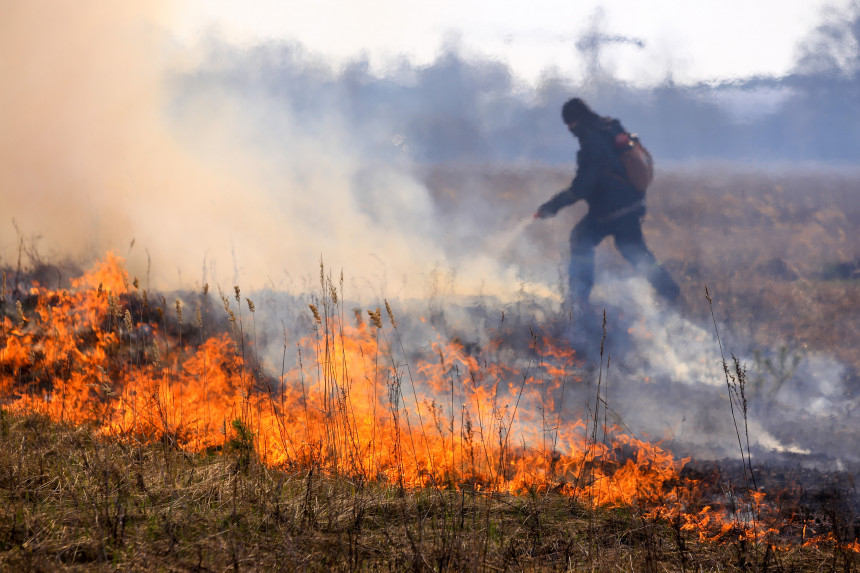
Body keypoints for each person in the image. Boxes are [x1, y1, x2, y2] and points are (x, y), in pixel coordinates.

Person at [534, 98, 680, 317]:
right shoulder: (610, 126)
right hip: (632, 203)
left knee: (580, 239)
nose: (570, 129)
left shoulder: (591, 143)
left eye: (570, 124)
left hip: (610, 210)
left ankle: (579, 299)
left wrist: (551, 207)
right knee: (634, 251)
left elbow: (582, 187)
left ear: (575, 121)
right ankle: (668, 290)